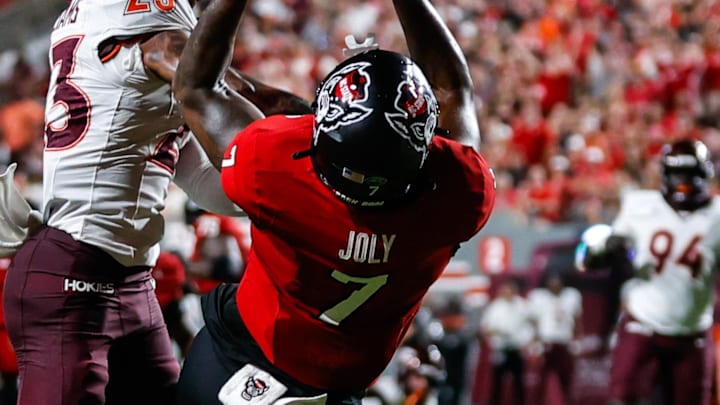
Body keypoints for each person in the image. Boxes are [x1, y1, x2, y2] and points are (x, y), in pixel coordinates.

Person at [171, 0, 496, 403]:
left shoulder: (272, 167)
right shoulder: (459, 193)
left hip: (238, 352)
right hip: (339, 387)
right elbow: (453, 89)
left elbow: (196, 87)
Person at [0, 0, 311, 403]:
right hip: (74, 273)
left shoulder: (141, 66)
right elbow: (240, 96)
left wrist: (280, 197)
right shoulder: (158, 35)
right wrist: (322, 131)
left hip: (129, 279)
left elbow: (206, 178)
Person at [576, 139, 720, 405]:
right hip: (643, 324)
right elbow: (592, 255)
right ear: (665, 175)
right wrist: (603, 252)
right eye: (678, 174)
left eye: (690, 174)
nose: (684, 182)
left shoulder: (716, 215)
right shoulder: (639, 205)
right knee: (622, 399)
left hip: (693, 332)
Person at [526, 272, 582, 405]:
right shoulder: (539, 297)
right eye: (552, 285)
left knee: (566, 378)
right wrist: (535, 341)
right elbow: (534, 321)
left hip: (564, 342)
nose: (555, 287)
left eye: (557, 284)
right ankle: (537, 402)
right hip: (547, 342)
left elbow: (576, 319)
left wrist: (576, 339)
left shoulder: (571, 296)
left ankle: (568, 401)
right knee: (541, 378)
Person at [480, 279, 534, 405]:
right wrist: (498, 333)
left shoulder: (523, 306)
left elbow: (530, 326)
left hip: (516, 349)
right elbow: (487, 328)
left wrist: (525, 341)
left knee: (518, 382)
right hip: (501, 349)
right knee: (497, 382)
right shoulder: (495, 307)